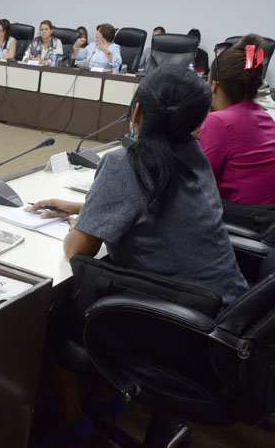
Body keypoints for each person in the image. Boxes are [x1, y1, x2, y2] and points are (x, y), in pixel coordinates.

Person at [29, 65, 248, 445]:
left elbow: (79, 251)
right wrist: (87, 207)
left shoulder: (123, 163)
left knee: (51, 312)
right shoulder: (194, 154)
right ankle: (106, 397)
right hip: (228, 321)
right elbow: (159, 205)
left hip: (182, 334)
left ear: (137, 113)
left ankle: (69, 418)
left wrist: (81, 224)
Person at [197, 34, 275, 205]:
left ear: (215, 86)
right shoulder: (265, 117)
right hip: (265, 221)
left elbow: (194, 182)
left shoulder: (220, 122)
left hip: (240, 222)